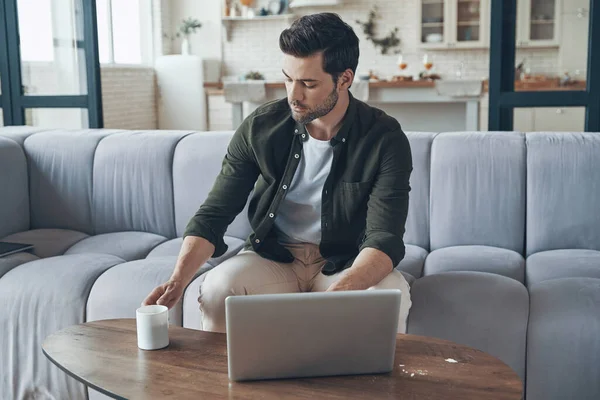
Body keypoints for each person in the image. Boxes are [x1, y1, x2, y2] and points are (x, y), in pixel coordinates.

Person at [143, 12, 413, 333]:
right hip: (275, 256)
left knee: (388, 297)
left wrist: (338, 295)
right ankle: (225, 383)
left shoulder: (384, 137)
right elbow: (215, 213)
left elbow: (384, 238)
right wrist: (177, 280)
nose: (293, 96)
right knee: (218, 291)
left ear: (344, 78)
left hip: (346, 260)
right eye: (288, 78)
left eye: (308, 84)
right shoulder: (261, 127)